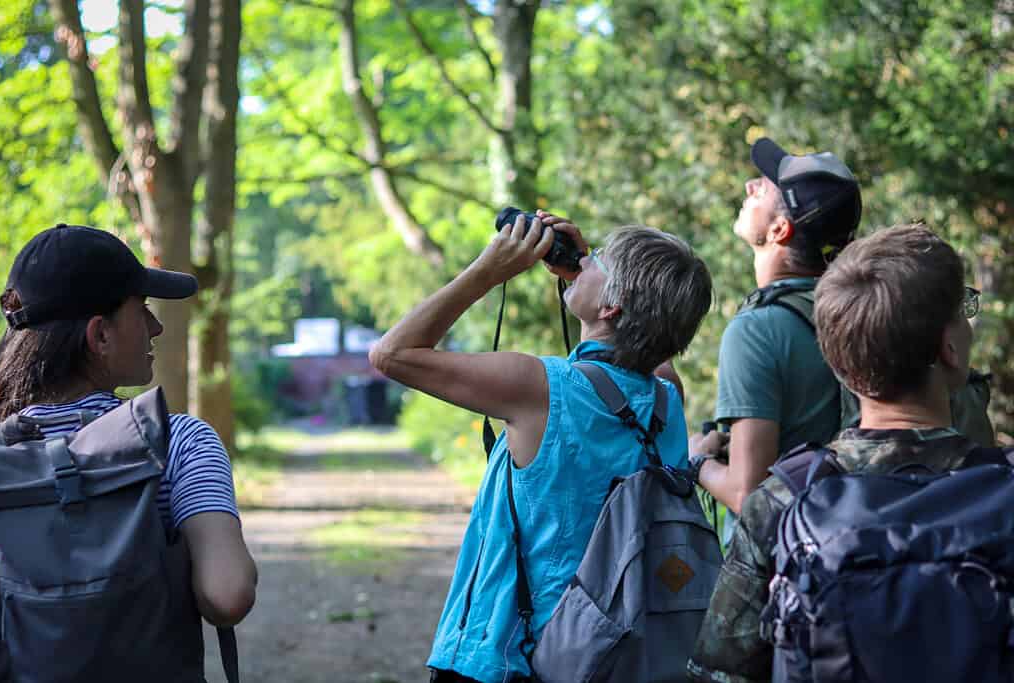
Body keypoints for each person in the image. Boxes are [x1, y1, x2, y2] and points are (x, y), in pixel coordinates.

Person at [369, 211, 712, 683]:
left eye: (599, 260)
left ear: (613, 305)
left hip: (509, 656)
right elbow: (651, 343)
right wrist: (587, 277)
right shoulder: (665, 401)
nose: (586, 259)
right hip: (609, 652)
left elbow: (391, 353)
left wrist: (488, 271)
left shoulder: (538, 388)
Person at [687, 224, 984, 682]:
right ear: (948, 346)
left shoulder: (782, 503)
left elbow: (720, 673)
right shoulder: (998, 488)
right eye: (963, 311)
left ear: (839, 360)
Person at [0, 224, 257, 671]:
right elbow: (227, 595)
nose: (155, 327)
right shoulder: (179, 441)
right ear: (100, 336)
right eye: (142, 310)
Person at [691, 138, 862, 520]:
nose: (750, 186)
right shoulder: (862, 313)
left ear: (779, 230)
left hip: (784, 565)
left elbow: (748, 494)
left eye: (764, 187)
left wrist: (697, 460)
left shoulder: (758, 330)